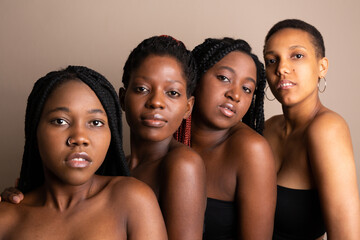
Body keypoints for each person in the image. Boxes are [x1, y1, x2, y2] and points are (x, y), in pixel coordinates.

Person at [0, 66, 167, 239]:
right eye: (60, 121)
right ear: (34, 130)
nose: (80, 138)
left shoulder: (132, 200)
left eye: (95, 123)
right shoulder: (7, 218)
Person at [263, 19, 360, 240]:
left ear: (322, 67)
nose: (281, 68)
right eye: (271, 60)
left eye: (297, 55)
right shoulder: (268, 127)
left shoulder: (327, 129)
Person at [175, 37, 277, 239]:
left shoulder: (251, 150)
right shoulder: (166, 131)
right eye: (223, 78)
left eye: (247, 89)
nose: (235, 95)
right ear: (196, 76)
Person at [120, 35, 207, 239]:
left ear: (188, 107)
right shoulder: (116, 165)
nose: (156, 102)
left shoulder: (183, 165)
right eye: (142, 89)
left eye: (173, 93)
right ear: (122, 98)